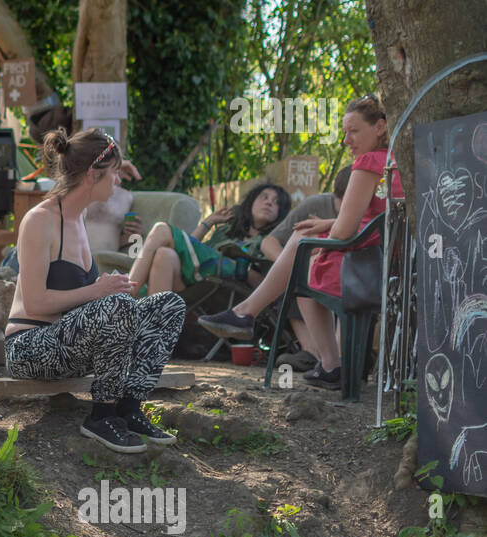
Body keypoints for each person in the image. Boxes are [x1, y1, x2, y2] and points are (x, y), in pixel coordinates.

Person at [199, 95, 403, 389]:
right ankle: (329, 365)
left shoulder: (367, 162)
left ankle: (246, 313)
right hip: (388, 263)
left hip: (367, 268)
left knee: (301, 245)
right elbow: (376, 219)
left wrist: (325, 239)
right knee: (304, 251)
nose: (346, 140)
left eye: (354, 131)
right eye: (344, 132)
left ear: (380, 126)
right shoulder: (394, 163)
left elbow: (345, 233)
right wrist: (327, 225)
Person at [4, 127, 187, 453]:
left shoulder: (80, 217)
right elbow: (34, 302)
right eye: (113, 175)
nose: (117, 182)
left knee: (168, 305)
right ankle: (101, 417)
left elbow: (93, 171)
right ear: (92, 175)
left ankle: (129, 409)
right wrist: (97, 291)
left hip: (74, 346)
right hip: (31, 349)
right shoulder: (39, 220)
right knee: (117, 304)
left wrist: (117, 161)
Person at [127, 182, 291, 295]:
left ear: (281, 213)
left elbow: (264, 280)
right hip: (199, 278)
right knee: (165, 254)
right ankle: (155, 335)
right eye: (264, 197)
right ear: (251, 202)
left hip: (228, 283)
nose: (269, 203)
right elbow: (188, 251)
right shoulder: (226, 232)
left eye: (276, 202)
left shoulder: (271, 242)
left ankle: (125, 295)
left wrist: (241, 266)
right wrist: (209, 222)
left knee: (162, 229)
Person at [262, 165, 351, 371]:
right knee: (299, 275)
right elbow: (269, 242)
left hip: (343, 275)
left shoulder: (369, 213)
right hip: (312, 268)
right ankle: (311, 351)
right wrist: (288, 265)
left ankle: (336, 356)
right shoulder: (316, 204)